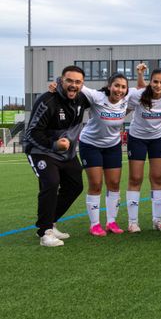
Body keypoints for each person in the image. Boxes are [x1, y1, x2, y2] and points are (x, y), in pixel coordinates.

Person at [24, 65, 90, 247]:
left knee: (75, 186)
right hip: (41, 151)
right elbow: (31, 133)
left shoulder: (82, 99)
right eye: (69, 80)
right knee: (51, 183)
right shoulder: (47, 101)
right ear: (61, 81)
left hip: (66, 155)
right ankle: (45, 232)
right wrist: (54, 144)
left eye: (78, 82)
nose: (73, 85)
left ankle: (50, 223)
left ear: (82, 84)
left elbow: (108, 95)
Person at [76, 73, 129, 236]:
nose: (119, 90)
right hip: (90, 144)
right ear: (109, 86)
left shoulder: (127, 99)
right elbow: (77, 85)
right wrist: (56, 85)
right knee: (96, 184)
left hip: (112, 145)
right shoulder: (97, 96)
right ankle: (95, 225)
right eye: (116, 85)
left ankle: (111, 222)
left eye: (123, 87)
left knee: (114, 183)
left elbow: (145, 90)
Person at [125, 67, 161, 233]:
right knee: (135, 178)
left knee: (157, 177)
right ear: (150, 82)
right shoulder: (138, 95)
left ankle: (157, 220)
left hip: (159, 139)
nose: (158, 85)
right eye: (155, 81)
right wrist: (140, 75)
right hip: (137, 138)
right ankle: (133, 222)